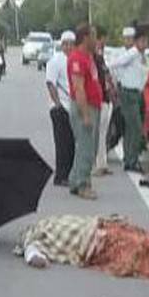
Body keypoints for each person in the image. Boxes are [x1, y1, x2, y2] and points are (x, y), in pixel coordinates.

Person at [67, 24, 104, 200]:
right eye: (94, 36)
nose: (97, 39)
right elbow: (78, 88)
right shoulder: (77, 58)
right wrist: (86, 115)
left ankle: (75, 180)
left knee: (88, 146)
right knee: (86, 148)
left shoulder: (88, 57)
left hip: (93, 106)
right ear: (85, 38)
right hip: (85, 107)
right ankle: (83, 184)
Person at [110, 29, 149, 172]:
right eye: (142, 41)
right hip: (129, 92)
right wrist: (120, 80)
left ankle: (129, 159)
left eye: (146, 41)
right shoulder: (132, 53)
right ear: (136, 41)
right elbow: (115, 64)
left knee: (131, 128)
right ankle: (132, 159)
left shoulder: (140, 55)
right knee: (136, 127)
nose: (145, 44)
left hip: (137, 93)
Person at [45, 31, 76, 186]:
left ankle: (69, 173)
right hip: (60, 107)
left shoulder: (74, 59)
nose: (69, 46)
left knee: (71, 143)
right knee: (62, 143)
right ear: (62, 44)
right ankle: (61, 175)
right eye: (66, 43)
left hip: (72, 107)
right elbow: (50, 83)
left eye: (72, 43)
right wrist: (57, 104)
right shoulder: (55, 61)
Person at [93, 31, 114, 177]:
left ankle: (103, 163)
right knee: (97, 133)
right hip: (98, 100)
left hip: (106, 99)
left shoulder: (100, 59)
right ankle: (98, 164)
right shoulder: (92, 59)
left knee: (103, 134)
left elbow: (107, 76)